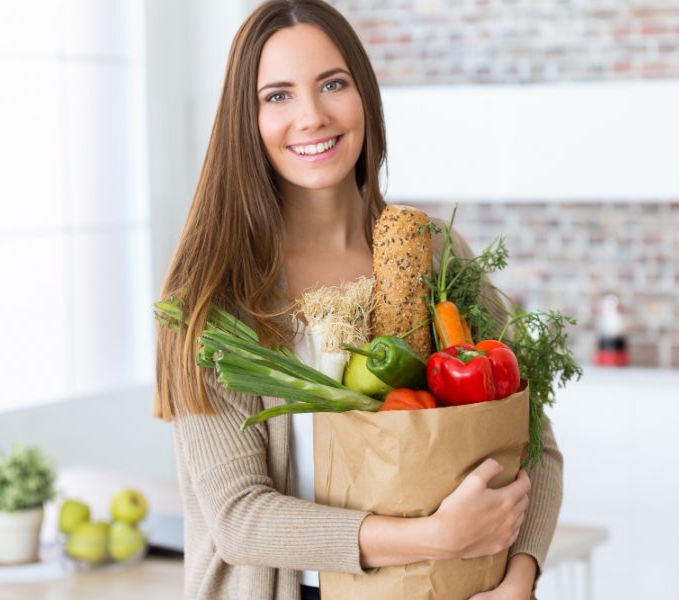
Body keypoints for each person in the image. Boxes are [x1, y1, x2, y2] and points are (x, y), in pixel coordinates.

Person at [153, 1, 562, 599]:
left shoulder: (439, 255)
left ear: (364, 95)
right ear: (246, 118)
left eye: (332, 84)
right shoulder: (215, 293)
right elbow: (239, 518)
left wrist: (518, 579)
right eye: (278, 96)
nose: (312, 116)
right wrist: (435, 538)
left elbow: (534, 443)